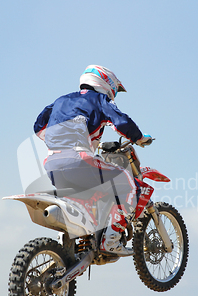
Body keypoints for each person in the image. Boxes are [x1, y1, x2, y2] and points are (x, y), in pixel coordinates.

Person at [34, 65, 153, 256]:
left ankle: (70, 242)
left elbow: (39, 126)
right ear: (106, 83)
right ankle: (111, 239)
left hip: (52, 164)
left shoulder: (61, 100)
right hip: (78, 160)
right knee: (129, 184)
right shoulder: (99, 99)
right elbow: (120, 121)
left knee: (83, 197)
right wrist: (139, 137)